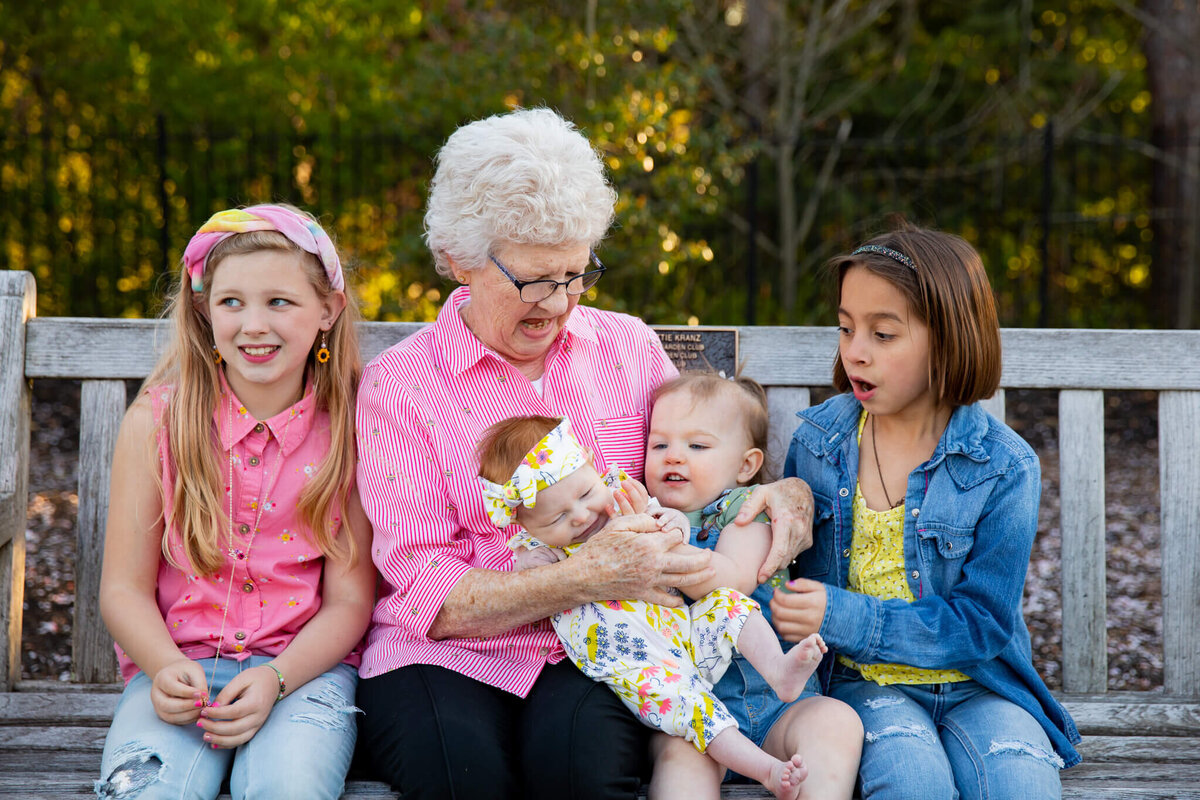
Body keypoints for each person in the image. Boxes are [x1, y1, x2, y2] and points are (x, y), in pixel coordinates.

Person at [353, 106, 815, 799]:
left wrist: (783, 493)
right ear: (459, 259)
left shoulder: (626, 347)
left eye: (574, 277)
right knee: (459, 776)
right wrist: (580, 577)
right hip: (442, 656)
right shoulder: (403, 384)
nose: (560, 304)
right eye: (535, 281)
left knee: (580, 772)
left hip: (606, 649)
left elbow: (708, 468)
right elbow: (424, 588)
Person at [772, 228, 1082, 799]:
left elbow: (983, 623)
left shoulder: (1003, 466)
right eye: (846, 329)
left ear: (950, 341)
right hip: (866, 684)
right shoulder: (819, 444)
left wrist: (845, 615)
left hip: (982, 685)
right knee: (914, 782)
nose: (855, 350)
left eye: (883, 333)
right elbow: (783, 576)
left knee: (1021, 784)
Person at [96, 204, 377, 800]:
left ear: (328, 310)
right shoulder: (158, 423)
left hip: (303, 672)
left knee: (290, 789)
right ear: (203, 308)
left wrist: (277, 679)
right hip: (178, 670)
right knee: (144, 791)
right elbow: (122, 588)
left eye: (279, 302)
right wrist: (162, 665)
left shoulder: (355, 432)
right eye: (231, 302)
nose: (253, 324)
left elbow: (350, 600)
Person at [478, 414, 826, 800]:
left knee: (727, 603)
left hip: (685, 632)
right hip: (640, 665)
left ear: (596, 471)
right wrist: (552, 573)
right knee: (694, 710)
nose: (580, 516)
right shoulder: (542, 553)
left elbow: (673, 522)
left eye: (585, 494)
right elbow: (533, 592)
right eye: (557, 517)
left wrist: (668, 522)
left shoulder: (624, 501)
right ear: (527, 527)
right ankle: (769, 771)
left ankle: (778, 670)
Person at [642, 373, 863, 799]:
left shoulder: (748, 509)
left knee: (836, 722)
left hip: (780, 707)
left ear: (746, 465)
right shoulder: (641, 516)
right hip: (695, 718)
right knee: (679, 760)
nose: (674, 457)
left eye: (697, 446)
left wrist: (665, 546)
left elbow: (733, 580)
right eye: (660, 445)